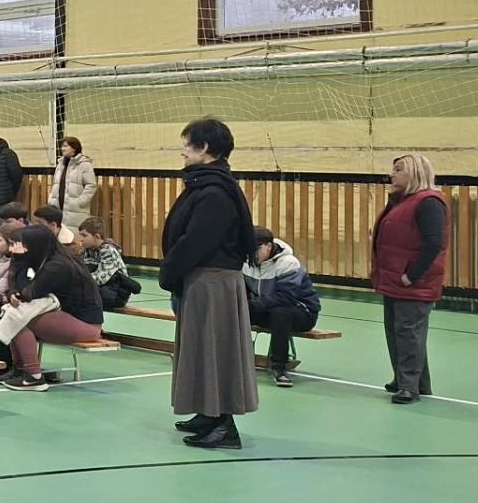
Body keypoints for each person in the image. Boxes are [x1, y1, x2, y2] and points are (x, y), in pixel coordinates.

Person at [159, 117, 258, 449]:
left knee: (215, 351)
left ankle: (223, 424)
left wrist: (169, 271)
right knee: (201, 349)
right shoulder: (208, 185)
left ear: (204, 148)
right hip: (203, 280)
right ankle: (208, 412)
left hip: (213, 282)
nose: (183, 151)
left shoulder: (215, 192)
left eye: (187, 145)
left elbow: (196, 240)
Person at [0, 224, 105, 392]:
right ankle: (20, 369)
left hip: (86, 325)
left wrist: (18, 260)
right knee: (11, 313)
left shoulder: (57, 267)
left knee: (19, 319)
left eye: (22, 245)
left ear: (34, 245)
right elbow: (19, 289)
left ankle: (34, 376)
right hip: (64, 315)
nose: (14, 249)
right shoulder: (47, 258)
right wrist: (13, 292)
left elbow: (28, 293)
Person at [372, 153, 447, 404]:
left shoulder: (429, 203)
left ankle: (409, 387)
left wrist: (411, 276)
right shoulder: (400, 202)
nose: (392, 174)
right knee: (397, 333)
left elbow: (434, 243)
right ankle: (410, 381)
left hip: (413, 283)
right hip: (393, 280)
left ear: (414, 172)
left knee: (408, 333)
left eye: (398, 170)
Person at [244, 226, 321, 388]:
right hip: (267, 308)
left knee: (280, 313)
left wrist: (252, 305)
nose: (252, 254)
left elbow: (285, 297)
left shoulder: (288, 263)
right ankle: (235, 357)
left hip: (302, 312)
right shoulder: (246, 262)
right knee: (233, 310)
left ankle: (279, 367)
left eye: (256, 249)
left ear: (268, 246)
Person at [78, 217, 139, 311]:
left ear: (97, 237)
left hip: (116, 293)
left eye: (84, 236)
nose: (81, 239)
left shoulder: (108, 251)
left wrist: (78, 283)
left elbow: (101, 278)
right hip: (101, 290)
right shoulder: (86, 251)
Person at [48, 136, 97, 229]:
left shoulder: (84, 165)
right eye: (62, 146)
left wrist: (80, 202)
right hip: (58, 208)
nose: (63, 149)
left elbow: (91, 185)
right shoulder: (60, 164)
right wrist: (51, 199)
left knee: (74, 234)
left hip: (75, 210)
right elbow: (55, 184)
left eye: (66, 146)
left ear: (74, 148)